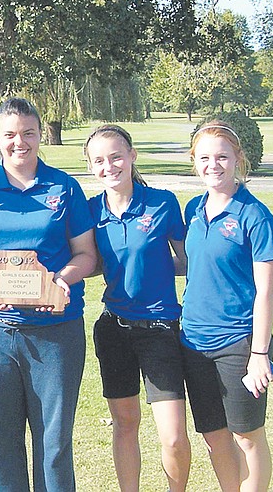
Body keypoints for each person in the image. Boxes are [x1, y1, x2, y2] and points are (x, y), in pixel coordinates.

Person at [0, 98, 97, 491]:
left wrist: (61, 280)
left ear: (40, 133)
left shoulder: (64, 187)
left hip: (55, 333)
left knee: (54, 443)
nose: (20, 142)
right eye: (10, 134)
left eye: (28, 133)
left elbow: (85, 254)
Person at [84, 125, 191, 492]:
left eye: (116, 156)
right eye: (99, 160)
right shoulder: (89, 212)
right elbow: (93, 263)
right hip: (114, 330)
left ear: (132, 157)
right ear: (91, 167)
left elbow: (188, 261)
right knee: (125, 424)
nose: (109, 166)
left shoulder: (162, 203)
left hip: (161, 331)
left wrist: (156, 268)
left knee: (174, 436)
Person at [181, 121, 273, 492]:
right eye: (205, 157)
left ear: (238, 159)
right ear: (195, 162)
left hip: (240, 343)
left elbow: (266, 291)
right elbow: (193, 262)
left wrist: (259, 353)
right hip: (193, 342)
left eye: (222, 156)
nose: (214, 165)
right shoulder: (193, 209)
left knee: (247, 436)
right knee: (214, 434)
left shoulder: (255, 216)